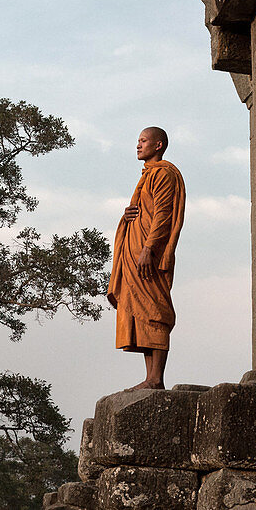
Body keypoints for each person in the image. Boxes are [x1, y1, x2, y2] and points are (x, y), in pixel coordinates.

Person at [107, 126, 186, 390]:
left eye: (143, 141)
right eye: (137, 141)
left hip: (148, 254)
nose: (138, 145)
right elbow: (146, 211)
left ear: (158, 145)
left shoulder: (163, 174)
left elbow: (163, 214)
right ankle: (150, 377)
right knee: (140, 311)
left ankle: (156, 378)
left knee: (155, 310)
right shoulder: (146, 176)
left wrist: (149, 248)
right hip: (134, 251)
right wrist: (128, 215)